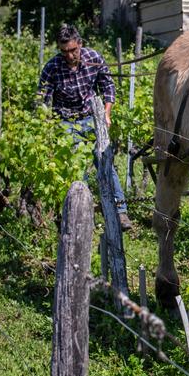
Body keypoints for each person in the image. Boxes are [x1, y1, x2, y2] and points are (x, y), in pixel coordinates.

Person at [38, 24, 132, 229]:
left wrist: (106, 114)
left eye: (73, 50)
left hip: (92, 118)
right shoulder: (52, 67)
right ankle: (79, 214)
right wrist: (48, 127)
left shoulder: (93, 58)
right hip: (65, 122)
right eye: (64, 52)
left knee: (104, 162)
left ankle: (121, 211)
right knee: (75, 170)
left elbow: (108, 87)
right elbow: (42, 101)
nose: (70, 56)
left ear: (80, 44)